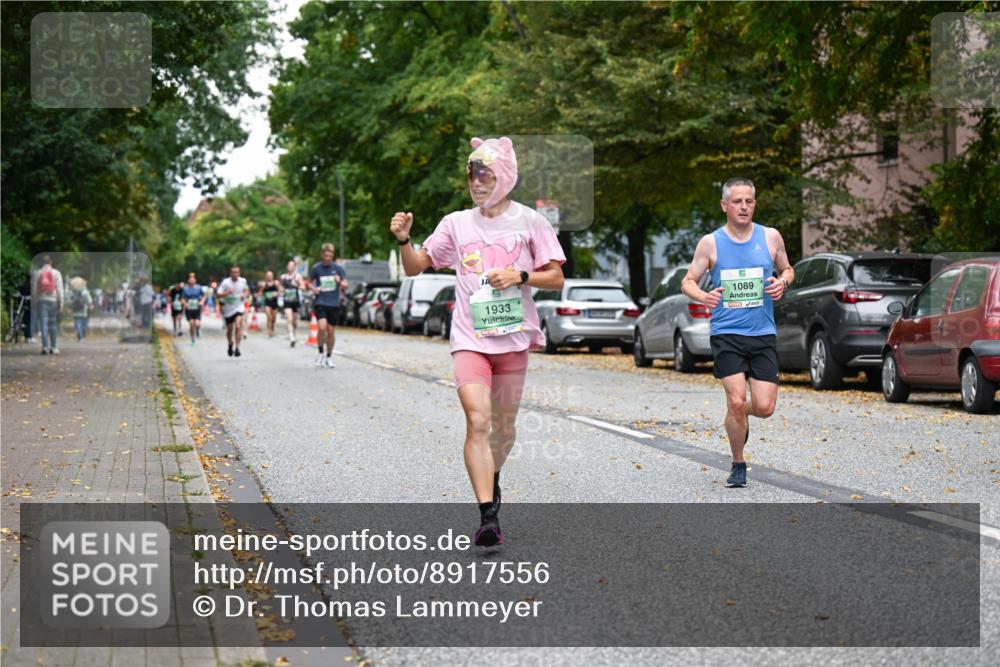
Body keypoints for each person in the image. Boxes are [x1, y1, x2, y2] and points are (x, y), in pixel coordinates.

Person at [390, 136, 565, 546]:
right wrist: (403, 240)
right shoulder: (456, 223)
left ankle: (493, 476)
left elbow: (556, 277)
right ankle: (488, 517)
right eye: (471, 173)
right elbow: (416, 267)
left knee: (503, 431)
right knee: (478, 420)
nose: (476, 181)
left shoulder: (530, 222)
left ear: (503, 176)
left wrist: (521, 276)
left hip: (513, 340)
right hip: (470, 340)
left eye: (484, 173)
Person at [681, 177, 794, 488]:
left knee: (765, 408)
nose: (744, 207)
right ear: (724, 205)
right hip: (727, 332)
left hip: (762, 334)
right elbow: (688, 281)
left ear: (754, 204)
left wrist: (781, 283)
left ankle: (737, 417)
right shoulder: (711, 243)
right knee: (735, 399)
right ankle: (738, 463)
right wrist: (704, 297)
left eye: (749, 201)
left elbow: (788, 269)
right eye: (737, 202)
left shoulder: (770, 237)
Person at [309, 243, 348, 368]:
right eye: (326, 256)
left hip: (333, 304)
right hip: (321, 302)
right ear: (322, 255)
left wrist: (340, 281)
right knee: (321, 327)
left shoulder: (338, 268)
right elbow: (308, 283)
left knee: (331, 332)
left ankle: (329, 356)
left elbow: (346, 285)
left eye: (330, 256)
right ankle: (320, 352)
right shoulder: (316, 268)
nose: (328, 258)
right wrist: (314, 289)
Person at [32, 255, 63, 354]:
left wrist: (34, 301)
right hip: (53, 300)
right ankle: (53, 347)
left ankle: (45, 347)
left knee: (43, 324)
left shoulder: (37, 273)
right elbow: (60, 289)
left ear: (41, 263)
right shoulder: (56, 273)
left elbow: (34, 289)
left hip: (41, 300)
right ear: (51, 262)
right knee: (53, 324)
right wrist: (61, 302)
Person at [217, 264, 250, 357]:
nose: (235, 274)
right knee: (230, 329)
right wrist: (227, 292)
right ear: (230, 273)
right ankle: (230, 343)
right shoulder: (225, 282)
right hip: (228, 309)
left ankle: (238, 348)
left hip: (239, 307)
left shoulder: (243, 281)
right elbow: (218, 294)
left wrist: (244, 294)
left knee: (238, 326)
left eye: (237, 272)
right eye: (233, 272)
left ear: (239, 273)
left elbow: (246, 290)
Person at [281, 260, 305, 347]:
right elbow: (280, 287)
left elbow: (303, 287)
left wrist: (297, 285)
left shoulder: (297, 277)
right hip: (287, 301)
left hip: (295, 301)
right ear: (287, 266)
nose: (290, 267)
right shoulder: (283, 277)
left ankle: (293, 335)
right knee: (289, 319)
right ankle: (291, 337)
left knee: (294, 322)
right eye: (289, 265)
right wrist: (281, 290)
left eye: (292, 265)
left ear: (294, 267)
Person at [181, 273, 206, 344]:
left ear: (195, 280)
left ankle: (198, 330)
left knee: (197, 324)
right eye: (190, 278)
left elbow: (204, 296)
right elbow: (182, 299)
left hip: (197, 308)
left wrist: (201, 302)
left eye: (193, 278)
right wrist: (185, 303)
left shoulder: (199, 287)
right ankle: (192, 338)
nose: (192, 279)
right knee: (191, 324)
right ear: (188, 280)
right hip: (189, 309)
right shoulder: (185, 289)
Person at [67, 276, 94, 341]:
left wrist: (69, 308)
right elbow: (88, 299)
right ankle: (82, 335)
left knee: (77, 323)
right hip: (84, 310)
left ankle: (80, 336)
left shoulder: (72, 292)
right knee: (83, 324)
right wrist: (90, 305)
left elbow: (69, 300)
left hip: (75, 309)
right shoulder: (85, 291)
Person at [259, 271, 281, 338]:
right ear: (266, 276)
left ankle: (272, 328)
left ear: (273, 276)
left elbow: (280, 290)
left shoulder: (276, 283)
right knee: (269, 318)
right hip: (267, 303)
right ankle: (269, 331)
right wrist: (264, 294)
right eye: (268, 275)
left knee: (273, 318)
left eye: (270, 275)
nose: (269, 277)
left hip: (274, 303)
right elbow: (261, 293)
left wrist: (276, 294)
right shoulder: (264, 284)